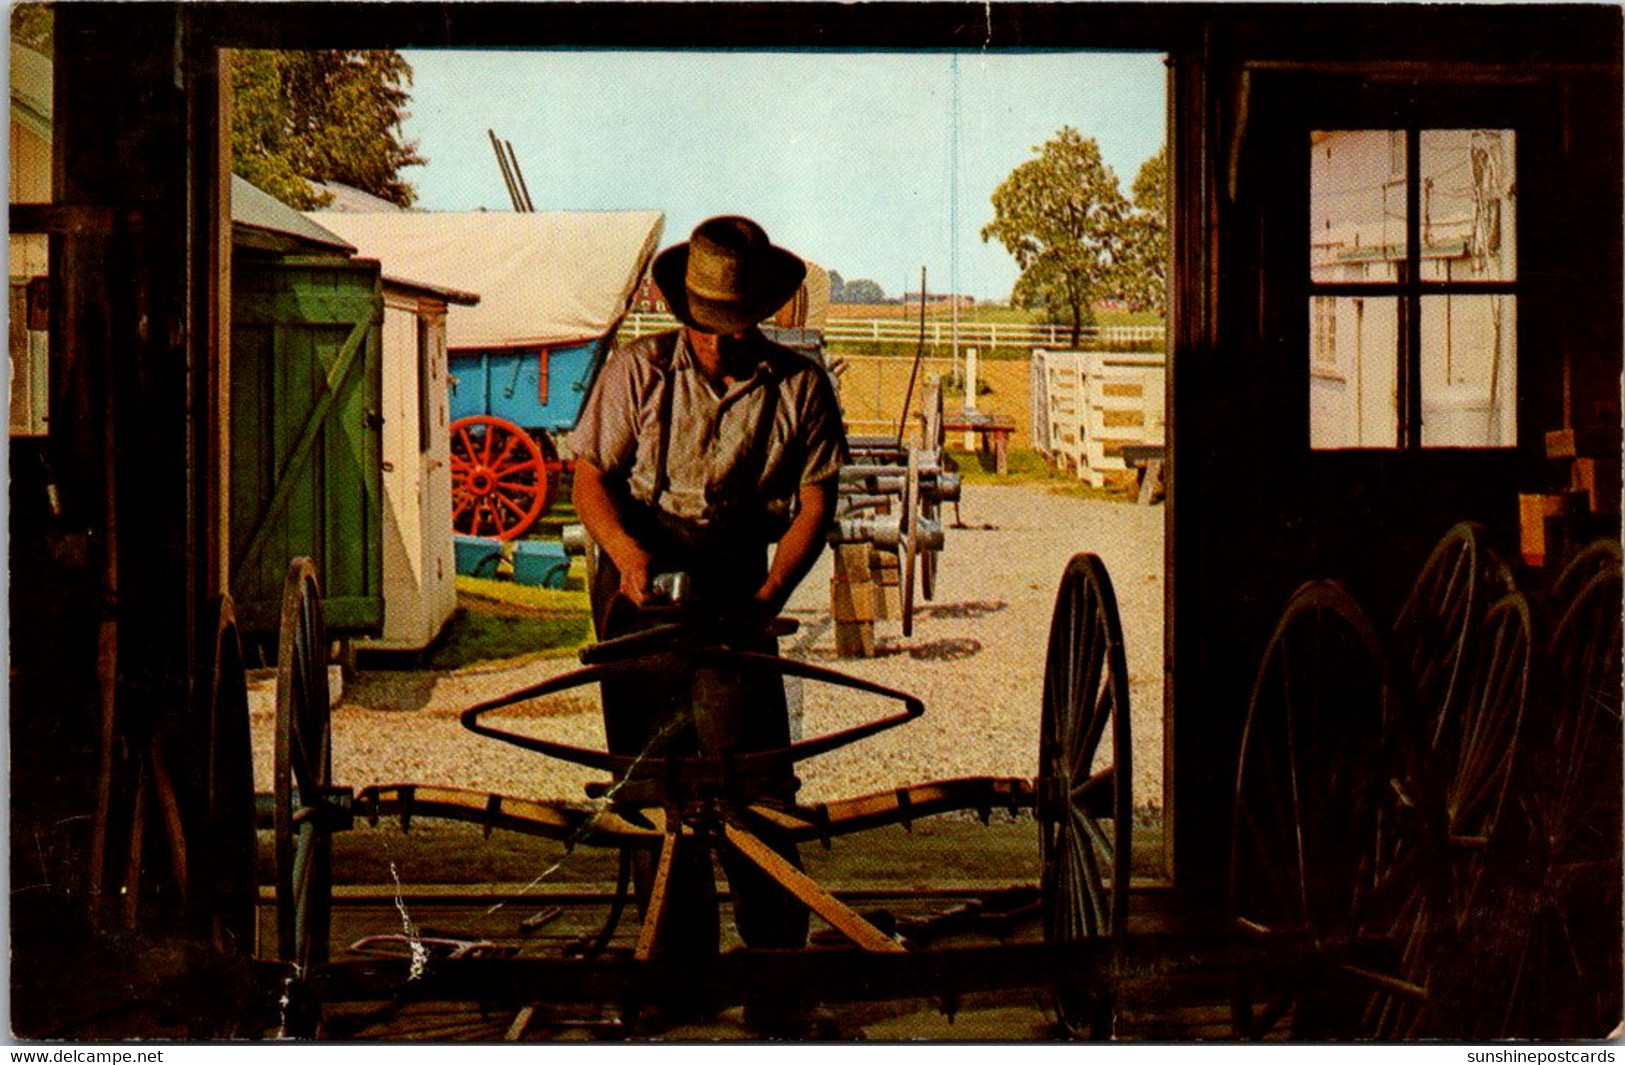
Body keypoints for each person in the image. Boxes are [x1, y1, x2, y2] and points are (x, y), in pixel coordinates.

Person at [568, 216, 848, 1002]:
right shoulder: (637, 371)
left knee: (751, 777)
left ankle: (774, 968)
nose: (719, 341)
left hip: (735, 580)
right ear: (681, 310)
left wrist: (767, 599)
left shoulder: (798, 388)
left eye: (733, 326)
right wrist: (625, 555)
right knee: (655, 781)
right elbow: (590, 477)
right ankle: (676, 965)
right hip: (640, 574)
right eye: (704, 325)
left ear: (758, 313)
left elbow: (814, 504)